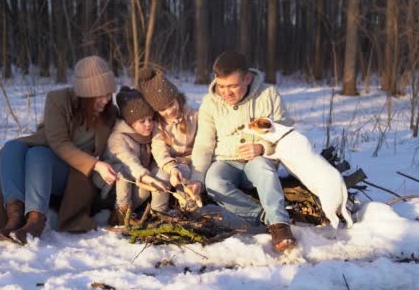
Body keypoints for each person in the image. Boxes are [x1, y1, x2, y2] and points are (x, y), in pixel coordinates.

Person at [0, 56, 118, 245]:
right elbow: (59, 143)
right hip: (44, 162)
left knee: (38, 154)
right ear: (84, 93)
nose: (105, 100)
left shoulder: (110, 114)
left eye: (108, 93)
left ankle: (35, 222)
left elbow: (129, 128)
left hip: (73, 175)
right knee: (12, 147)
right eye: (99, 95)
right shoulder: (58, 100)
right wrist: (97, 164)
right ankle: (14, 217)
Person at [189, 51, 298, 252]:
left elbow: (284, 132)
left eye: (233, 86)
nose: (226, 92)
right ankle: (263, 217)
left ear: (247, 78)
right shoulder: (210, 102)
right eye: (221, 86)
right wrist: (197, 177)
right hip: (225, 161)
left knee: (264, 171)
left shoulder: (269, 94)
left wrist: (263, 148)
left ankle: (280, 225)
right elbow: (204, 143)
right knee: (213, 182)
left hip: (258, 160)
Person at [104, 87, 168, 225]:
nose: (148, 125)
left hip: (137, 179)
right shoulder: (117, 138)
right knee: (123, 171)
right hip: (112, 190)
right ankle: (121, 213)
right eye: (142, 121)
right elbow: (129, 162)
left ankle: (151, 213)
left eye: (150, 119)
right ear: (129, 122)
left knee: (150, 184)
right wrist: (145, 176)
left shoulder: (150, 134)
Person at [137, 67, 198, 212]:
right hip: (164, 163)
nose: (169, 111)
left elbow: (203, 145)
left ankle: (189, 210)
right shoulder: (158, 124)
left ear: (177, 98)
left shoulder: (193, 116)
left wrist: (187, 160)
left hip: (189, 162)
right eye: (163, 109)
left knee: (183, 174)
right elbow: (159, 149)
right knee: (161, 178)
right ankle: (158, 212)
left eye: (171, 104)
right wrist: (171, 166)